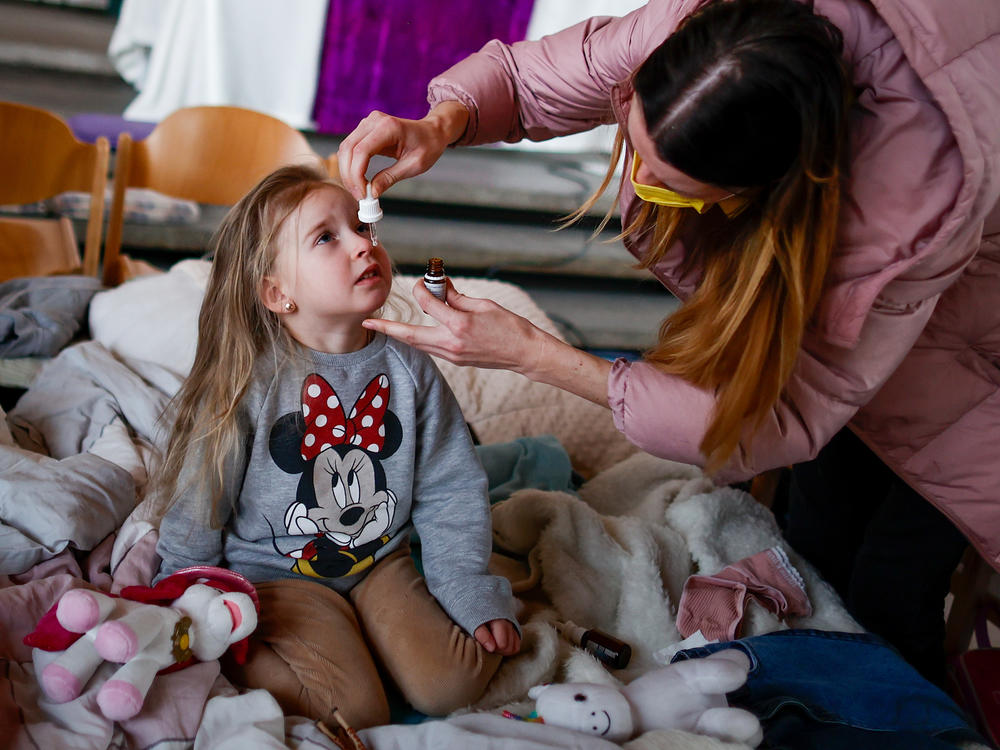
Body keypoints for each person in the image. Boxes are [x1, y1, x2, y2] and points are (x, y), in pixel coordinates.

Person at [338, 0, 1000, 686]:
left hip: (971, 372)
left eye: (672, 183)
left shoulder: (903, 209)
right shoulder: (701, 38)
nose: (640, 185)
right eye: (637, 144)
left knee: (892, 588)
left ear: (771, 191)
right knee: (811, 545)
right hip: (861, 343)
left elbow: (781, 416)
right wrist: (443, 121)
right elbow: (539, 75)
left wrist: (535, 355)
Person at [153, 163, 520, 729]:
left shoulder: (411, 369)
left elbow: (450, 489)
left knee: (451, 685)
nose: (361, 245)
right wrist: (191, 594)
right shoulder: (250, 384)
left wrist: (468, 590)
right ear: (278, 293)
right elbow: (203, 495)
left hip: (380, 563)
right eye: (327, 237)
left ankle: (371, 629)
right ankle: (275, 649)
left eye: (362, 228)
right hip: (278, 573)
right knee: (354, 711)